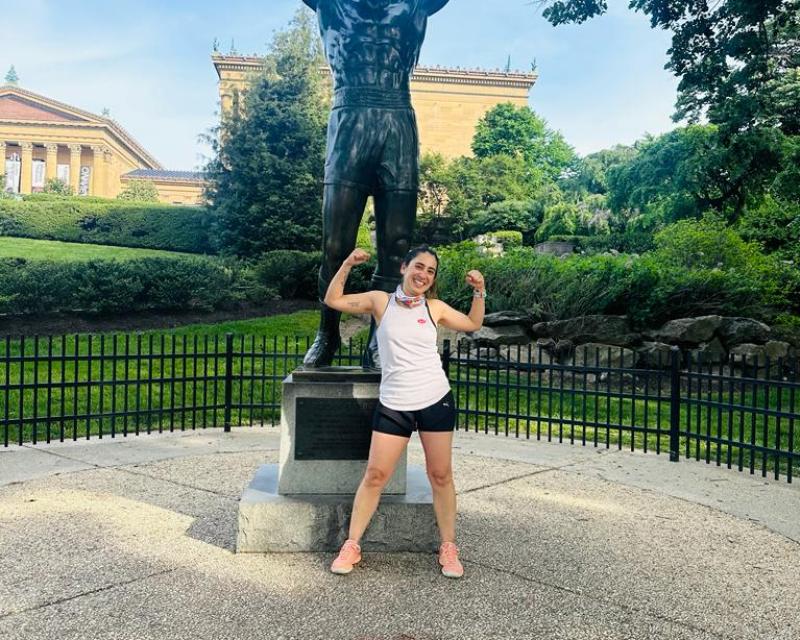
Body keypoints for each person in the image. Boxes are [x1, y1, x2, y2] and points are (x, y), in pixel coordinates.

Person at [299, 0, 452, 367]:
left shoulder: (417, 4)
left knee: (396, 247)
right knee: (335, 244)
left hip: (398, 118)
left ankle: (378, 341)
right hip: (349, 116)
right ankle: (327, 333)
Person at [322, 244, 485, 578]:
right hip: (395, 402)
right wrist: (348, 264)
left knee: (440, 475)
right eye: (419, 266)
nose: (423, 275)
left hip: (434, 399)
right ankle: (352, 544)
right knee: (375, 475)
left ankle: (449, 546)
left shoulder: (434, 307)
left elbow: (471, 323)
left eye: (430, 271)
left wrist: (479, 290)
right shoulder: (381, 301)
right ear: (404, 267)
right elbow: (333, 300)